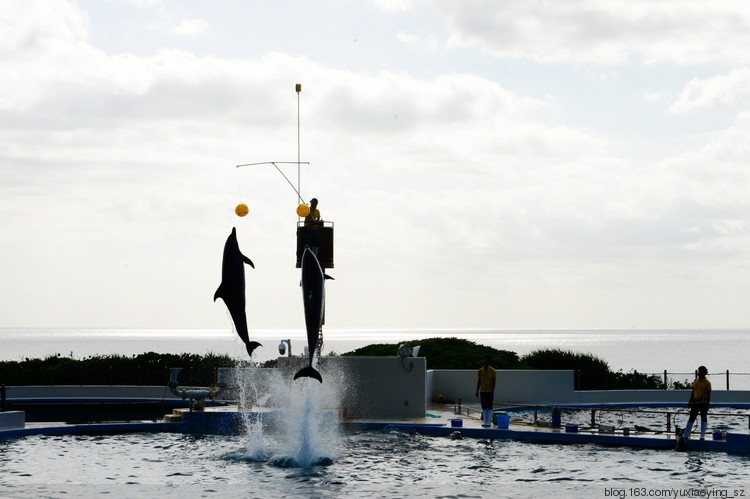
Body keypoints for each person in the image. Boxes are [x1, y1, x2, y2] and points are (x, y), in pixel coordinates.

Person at [683, 365, 711, 440]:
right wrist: (690, 401)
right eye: (698, 371)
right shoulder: (696, 381)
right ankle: (685, 435)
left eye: (700, 372)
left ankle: (702, 436)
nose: (699, 373)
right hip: (695, 403)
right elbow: (693, 391)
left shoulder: (707, 383)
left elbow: (709, 395)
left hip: (703, 403)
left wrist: (707, 405)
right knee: (691, 418)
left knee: (703, 419)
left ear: (704, 373)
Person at [475, 355, 497, 427]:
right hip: (482, 391)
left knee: (489, 406)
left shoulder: (492, 370)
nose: (484, 361)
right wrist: (477, 390)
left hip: (489, 390)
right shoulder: (480, 370)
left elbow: (494, 381)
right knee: (484, 406)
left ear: (489, 361)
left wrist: (492, 391)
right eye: (484, 360)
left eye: (486, 360)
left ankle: (489, 421)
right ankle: (485, 421)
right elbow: (479, 381)